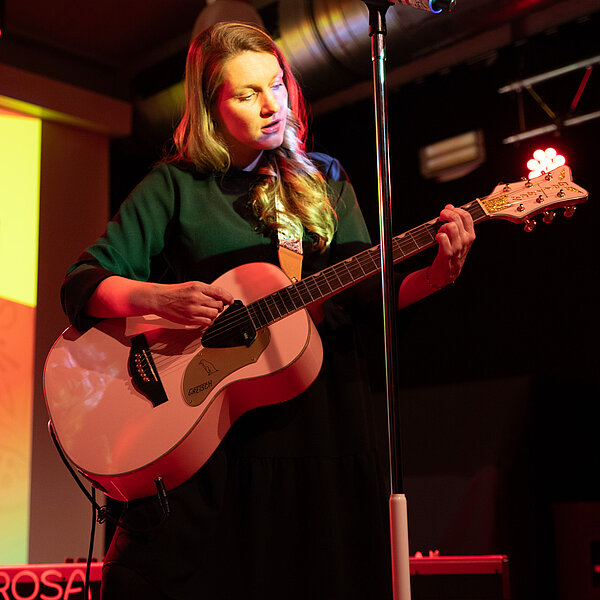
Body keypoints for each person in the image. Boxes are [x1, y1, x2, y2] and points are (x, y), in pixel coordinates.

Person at [61, 21, 475, 600]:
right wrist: (158, 297)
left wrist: (435, 276)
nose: (270, 104)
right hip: (213, 439)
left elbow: (364, 297)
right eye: (247, 93)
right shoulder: (176, 186)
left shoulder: (323, 178)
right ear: (212, 107)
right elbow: (84, 282)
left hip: (320, 427)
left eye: (276, 85)